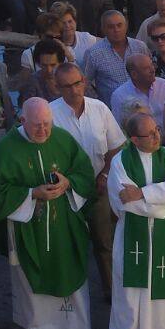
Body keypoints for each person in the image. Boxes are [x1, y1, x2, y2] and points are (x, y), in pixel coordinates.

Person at [0, 98, 96, 329]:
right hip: (28, 228)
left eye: (47, 124)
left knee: (69, 269)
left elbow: (84, 172)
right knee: (33, 275)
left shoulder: (63, 139)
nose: (43, 131)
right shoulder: (7, 148)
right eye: (36, 126)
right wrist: (32, 193)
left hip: (63, 225)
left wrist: (68, 183)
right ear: (22, 121)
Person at [103, 111, 165, 329]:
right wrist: (159, 203)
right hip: (133, 232)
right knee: (130, 292)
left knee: (164, 283)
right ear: (134, 139)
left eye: (157, 130)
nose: (156, 136)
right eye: (148, 134)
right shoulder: (120, 161)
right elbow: (124, 201)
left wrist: (142, 193)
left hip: (164, 233)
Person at [49, 62, 126, 302]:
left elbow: (116, 146)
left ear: (83, 80)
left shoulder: (99, 108)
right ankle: (74, 299)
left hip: (98, 186)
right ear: (57, 87)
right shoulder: (50, 113)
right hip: (65, 191)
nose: (74, 90)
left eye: (77, 83)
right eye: (67, 86)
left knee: (105, 242)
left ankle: (111, 293)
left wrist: (104, 175)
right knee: (70, 245)